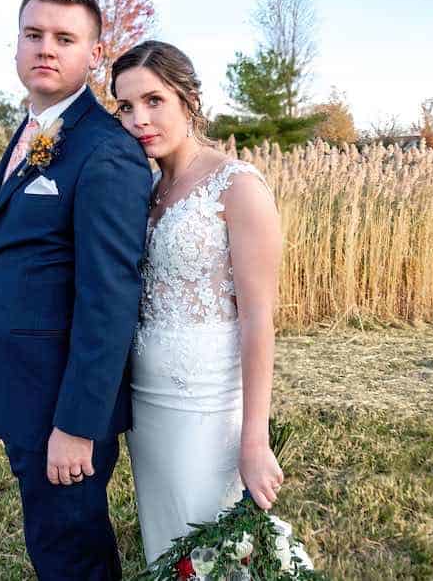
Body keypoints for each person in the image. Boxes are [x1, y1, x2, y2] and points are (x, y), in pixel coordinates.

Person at [0, 0, 151, 580]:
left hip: (60, 409)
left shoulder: (106, 151)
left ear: (94, 54)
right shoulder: (31, 128)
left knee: (72, 555)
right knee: (51, 543)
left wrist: (77, 426)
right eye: (33, 35)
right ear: (15, 45)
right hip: (22, 389)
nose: (46, 49)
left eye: (65, 39)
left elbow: (109, 300)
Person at [110, 40, 284, 565]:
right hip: (147, 400)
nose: (139, 118)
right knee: (169, 548)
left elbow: (259, 319)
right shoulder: (145, 188)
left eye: (154, 100)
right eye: (125, 106)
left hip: (207, 404)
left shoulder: (237, 186)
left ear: (188, 99)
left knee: (217, 552)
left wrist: (254, 440)